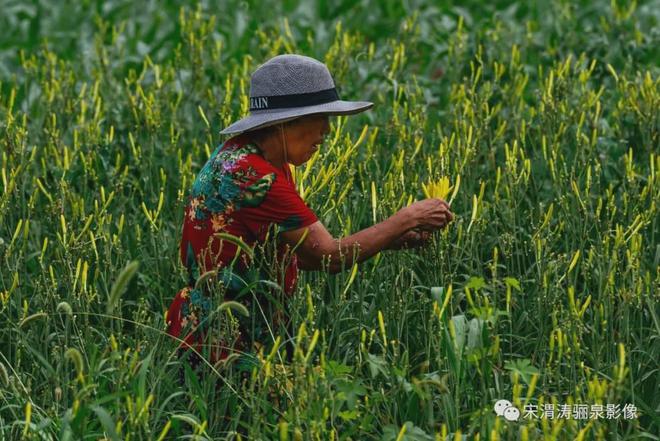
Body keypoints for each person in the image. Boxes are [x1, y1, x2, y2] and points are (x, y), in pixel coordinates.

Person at [165, 54, 453, 377]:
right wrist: (408, 217)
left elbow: (305, 254)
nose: (327, 131)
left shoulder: (251, 157)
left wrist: (390, 240)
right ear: (285, 123)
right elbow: (329, 255)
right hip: (225, 351)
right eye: (320, 118)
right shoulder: (257, 177)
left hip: (229, 336)